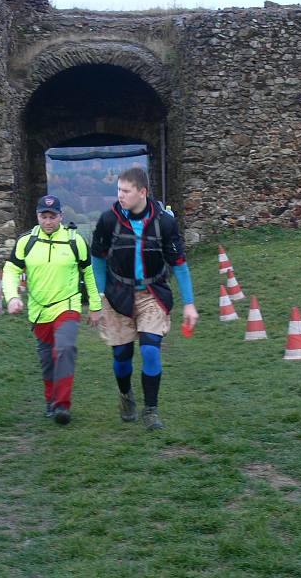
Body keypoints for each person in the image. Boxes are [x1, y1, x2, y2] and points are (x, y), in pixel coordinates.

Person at [91, 167, 199, 430]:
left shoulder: (165, 223)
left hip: (152, 294)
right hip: (118, 294)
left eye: (125, 191)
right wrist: (100, 295)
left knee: (150, 350)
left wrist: (189, 303)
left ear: (142, 192)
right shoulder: (108, 220)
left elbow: (180, 264)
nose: (120, 196)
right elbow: (97, 259)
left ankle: (151, 410)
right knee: (122, 356)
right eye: (118, 190)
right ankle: (126, 394)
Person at [3, 195, 102, 425]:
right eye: (43, 216)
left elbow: (89, 273)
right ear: (37, 216)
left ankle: (62, 406)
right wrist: (12, 298)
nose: (48, 221)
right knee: (47, 361)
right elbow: (10, 271)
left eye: (53, 216)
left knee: (65, 349)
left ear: (61, 216)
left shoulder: (75, 241)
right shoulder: (26, 242)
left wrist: (95, 306)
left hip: (67, 305)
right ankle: (50, 401)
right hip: (39, 310)